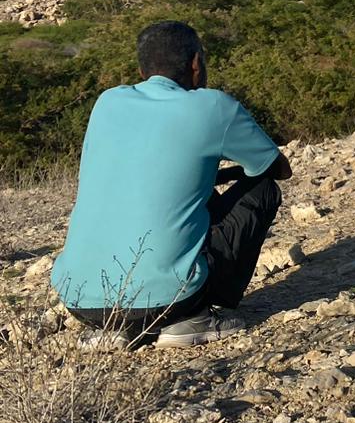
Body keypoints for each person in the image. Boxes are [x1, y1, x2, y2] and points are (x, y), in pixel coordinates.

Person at [51, 20, 290, 347]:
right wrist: (228, 172)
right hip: (172, 301)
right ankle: (193, 318)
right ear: (196, 63)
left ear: (142, 70)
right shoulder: (213, 106)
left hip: (81, 302)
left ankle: (118, 328)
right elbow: (277, 168)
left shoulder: (107, 102)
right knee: (263, 190)